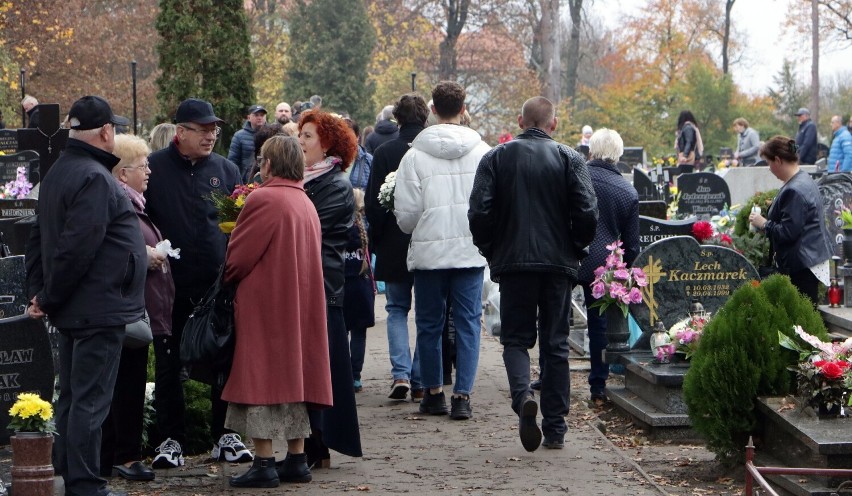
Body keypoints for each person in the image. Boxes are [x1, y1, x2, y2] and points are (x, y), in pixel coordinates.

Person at [26, 95, 143, 496]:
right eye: (116, 129)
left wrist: (40, 293)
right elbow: (79, 246)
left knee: (74, 397)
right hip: (96, 307)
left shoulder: (60, 170)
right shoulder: (93, 176)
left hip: (79, 306)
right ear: (106, 132)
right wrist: (49, 296)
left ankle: (68, 472)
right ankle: (85, 483)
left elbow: (37, 238)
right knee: (90, 400)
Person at [468, 96, 598, 451]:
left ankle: (523, 394)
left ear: (520, 120)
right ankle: (555, 427)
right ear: (552, 124)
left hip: (514, 262)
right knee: (555, 343)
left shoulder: (495, 158)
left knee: (515, 338)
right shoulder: (569, 157)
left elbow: (479, 211)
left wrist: (492, 248)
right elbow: (587, 211)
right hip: (557, 263)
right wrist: (575, 246)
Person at [223, 135, 332, 488]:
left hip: (266, 304)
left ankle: (264, 461)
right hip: (299, 303)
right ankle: (297, 458)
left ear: (269, 164)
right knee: (292, 380)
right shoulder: (304, 202)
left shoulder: (264, 198)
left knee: (261, 379)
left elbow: (237, 259)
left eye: (262, 159)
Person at [145, 98, 248, 468]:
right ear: (180, 132)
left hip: (216, 285)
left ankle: (227, 435)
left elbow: (240, 224)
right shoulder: (154, 169)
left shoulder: (226, 169)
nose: (210, 136)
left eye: (214, 130)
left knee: (224, 358)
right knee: (170, 364)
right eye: (202, 130)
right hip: (168, 285)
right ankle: (171, 439)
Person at [393, 81, 490, 420]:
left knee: (430, 324)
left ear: (432, 109)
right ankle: (462, 395)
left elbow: (406, 216)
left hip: (430, 254)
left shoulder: (414, 156)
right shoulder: (483, 153)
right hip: (468, 250)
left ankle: (434, 392)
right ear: (464, 109)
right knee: (467, 324)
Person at [101, 134, 174, 483]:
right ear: (121, 173)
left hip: (135, 310)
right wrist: (145, 257)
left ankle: (121, 454)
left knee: (128, 384)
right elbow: (113, 253)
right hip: (124, 312)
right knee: (124, 385)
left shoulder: (135, 203)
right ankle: (124, 456)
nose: (148, 171)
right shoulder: (121, 206)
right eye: (141, 166)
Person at [298, 109, 362, 467]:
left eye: (308, 136)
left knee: (324, 369)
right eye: (300, 135)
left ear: (328, 144)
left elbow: (311, 231)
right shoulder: (306, 179)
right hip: (306, 283)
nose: (301, 141)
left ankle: (318, 446)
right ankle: (310, 446)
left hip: (323, 286)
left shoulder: (335, 185)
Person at [364, 93, 429, 402]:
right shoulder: (430, 150)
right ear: (425, 118)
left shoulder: (386, 151)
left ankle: (400, 373)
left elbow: (373, 202)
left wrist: (377, 239)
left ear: (397, 119)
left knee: (396, 309)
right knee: (427, 314)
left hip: (393, 240)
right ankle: (419, 378)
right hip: (428, 239)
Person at [576, 128, 638, 406]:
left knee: (554, 319)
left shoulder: (576, 177)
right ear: (618, 155)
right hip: (603, 265)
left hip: (569, 254)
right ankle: (598, 386)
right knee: (598, 326)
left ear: (591, 151)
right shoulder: (627, 191)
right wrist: (624, 273)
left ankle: (549, 376)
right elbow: (632, 244)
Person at [749, 136, 834, 305]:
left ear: (778, 160)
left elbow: (788, 232)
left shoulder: (794, 190)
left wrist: (763, 223)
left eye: (768, 163)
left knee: (801, 324)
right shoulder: (803, 179)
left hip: (801, 266)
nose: (769, 169)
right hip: (809, 259)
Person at [344, 188, 376, 393]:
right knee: (359, 334)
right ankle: (356, 376)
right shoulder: (365, 230)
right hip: (362, 287)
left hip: (342, 286)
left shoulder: (339, 229)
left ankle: (342, 373)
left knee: (340, 331)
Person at [229, 104, 268, 181]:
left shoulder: (272, 134)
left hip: (267, 180)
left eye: (262, 115)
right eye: (256, 115)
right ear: (249, 118)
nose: (260, 117)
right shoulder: (239, 136)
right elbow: (233, 161)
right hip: (245, 181)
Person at [344, 117, 373, 190]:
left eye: (349, 137)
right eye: (342, 136)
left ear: (357, 137)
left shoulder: (369, 160)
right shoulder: (330, 160)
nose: (345, 140)